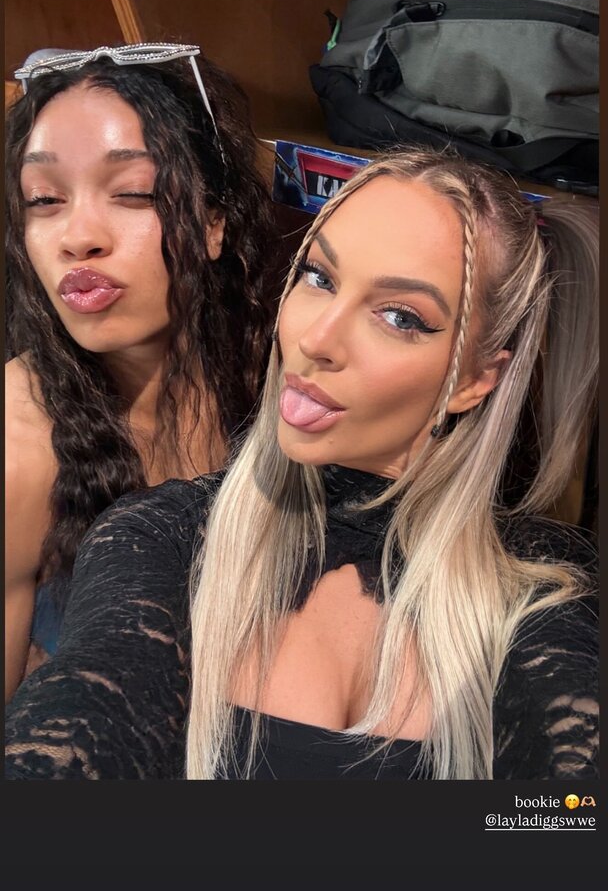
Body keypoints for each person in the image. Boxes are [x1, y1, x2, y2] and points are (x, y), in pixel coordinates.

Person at [5, 148, 598, 780]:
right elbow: (88, 710)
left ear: (476, 379)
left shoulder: (548, 585)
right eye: (319, 277)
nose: (316, 339)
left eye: (400, 317)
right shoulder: (159, 537)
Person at [4, 43, 276, 702]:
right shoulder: (17, 449)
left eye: (132, 193)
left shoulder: (272, 378)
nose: (78, 236)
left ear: (214, 223)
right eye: (44, 199)